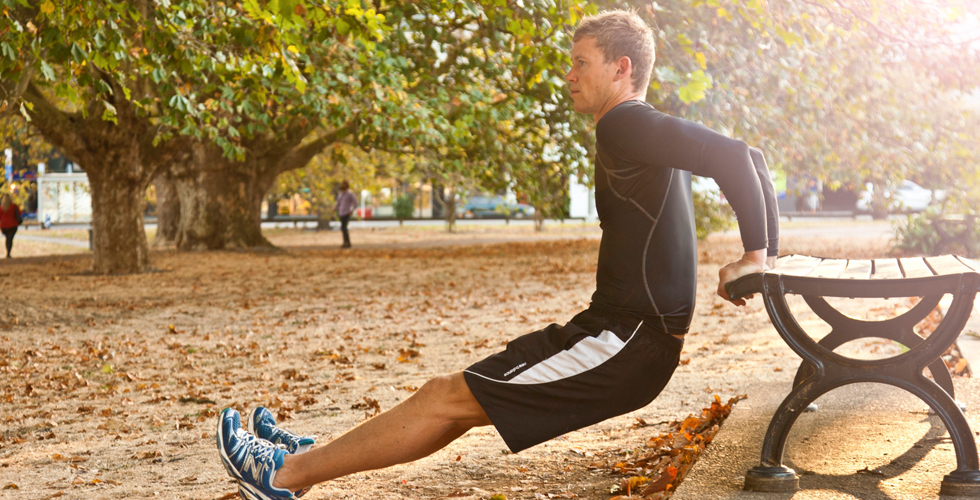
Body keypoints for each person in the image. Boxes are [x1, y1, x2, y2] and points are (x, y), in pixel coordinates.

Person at [215, 9, 780, 500]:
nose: (569, 75)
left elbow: (734, 156)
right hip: (615, 333)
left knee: (448, 400)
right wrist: (767, 255)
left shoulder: (626, 122)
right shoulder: (640, 127)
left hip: (624, 341)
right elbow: (750, 156)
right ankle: (299, 468)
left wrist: (756, 254)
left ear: (621, 68)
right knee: (451, 401)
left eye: (580, 62)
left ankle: (283, 474)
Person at [334, 180, 358, 249]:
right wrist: (334, 209)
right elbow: (338, 203)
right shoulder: (340, 194)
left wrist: (352, 210)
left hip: (347, 213)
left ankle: (347, 243)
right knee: (343, 228)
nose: (342, 185)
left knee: (344, 227)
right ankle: (345, 242)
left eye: (343, 184)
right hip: (341, 213)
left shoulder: (350, 194)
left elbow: (356, 203)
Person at [0, 193, 22, 259]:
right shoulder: (14, 206)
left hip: (4, 226)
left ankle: (8, 252)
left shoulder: (1, 207)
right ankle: (8, 252)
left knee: (8, 238)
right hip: (13, 225)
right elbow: (19, 213)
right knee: (10, 239)